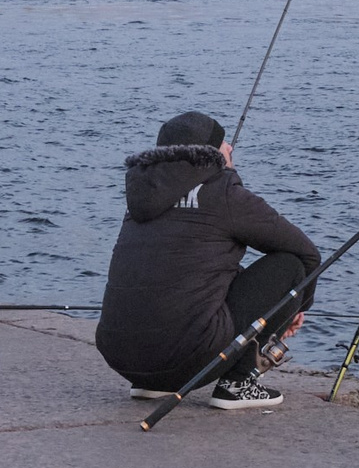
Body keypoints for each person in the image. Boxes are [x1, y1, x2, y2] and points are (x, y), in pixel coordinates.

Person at [96, 109, 320, 411]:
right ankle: (238, 383)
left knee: (196, 274)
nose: (230, 148)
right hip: (185, 357)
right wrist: (294, 308)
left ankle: (151, 384)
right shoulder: (223, 193)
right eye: (224, 142)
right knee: (290, 266)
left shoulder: (143, 198)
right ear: (212, 153)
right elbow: (307, 254)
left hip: (121, 355)